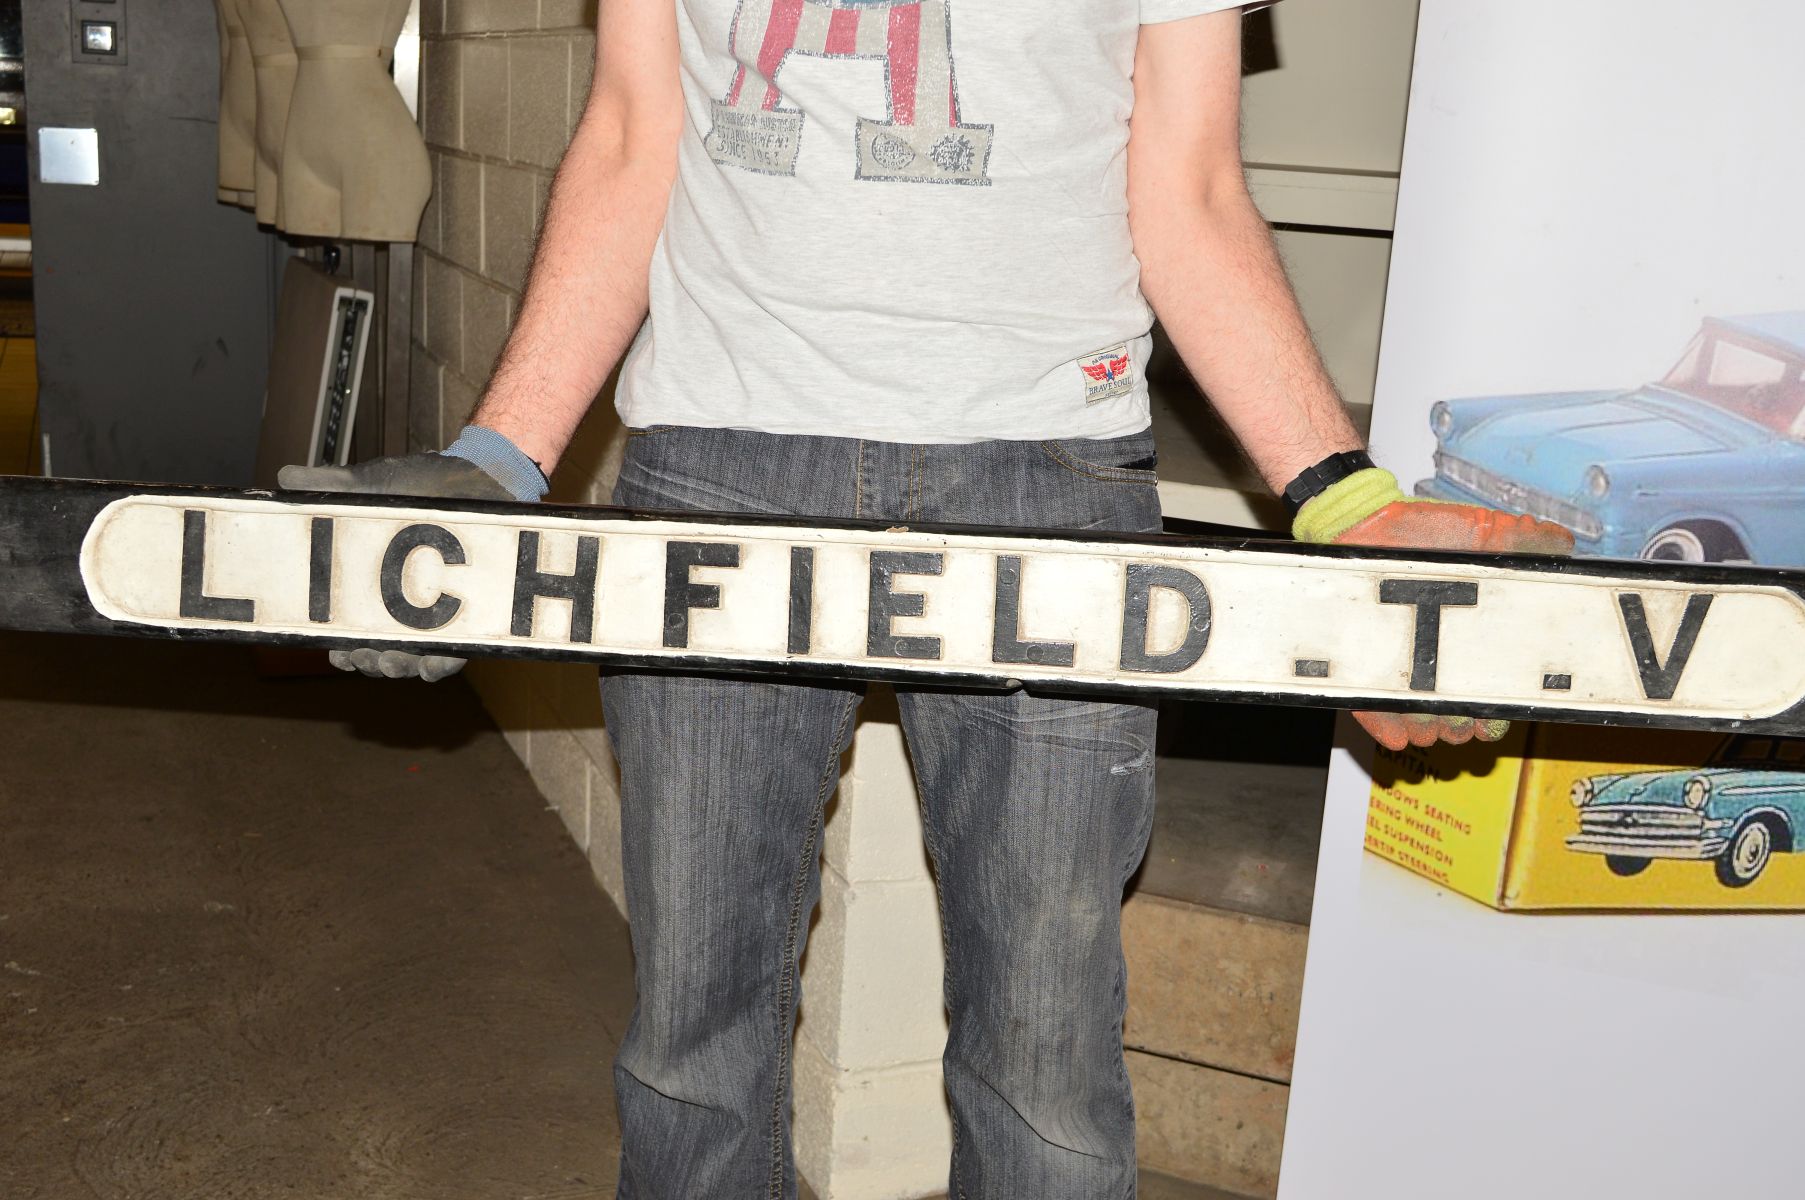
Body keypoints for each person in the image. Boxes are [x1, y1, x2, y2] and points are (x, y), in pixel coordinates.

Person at [284, 0, 1571, 1194]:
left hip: (1046, 475)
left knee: (1045, 1059)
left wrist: (1337, 494)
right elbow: (633, 126)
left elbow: (1188, 184)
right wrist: (501, 459)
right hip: (723, 459)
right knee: (695, 1034)